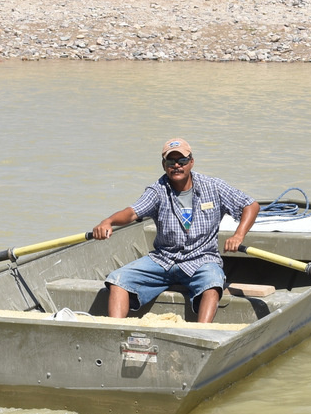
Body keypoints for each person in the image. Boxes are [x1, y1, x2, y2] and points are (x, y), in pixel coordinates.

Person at [92, 138, 260, 323]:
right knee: (118, 279)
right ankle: (116, 331)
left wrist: (238, 235)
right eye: (171, 162)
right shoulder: (157, 190)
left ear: (191, 162)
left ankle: (201, 334)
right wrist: (108, 222)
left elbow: (250, 205)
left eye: (182, 161)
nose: (177, 165)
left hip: (202, 259)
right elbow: (131, 213)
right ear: (164, 165)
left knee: (213, 282)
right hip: (163, 259)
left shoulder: (213, 186)